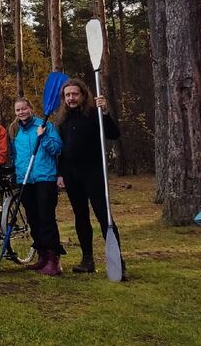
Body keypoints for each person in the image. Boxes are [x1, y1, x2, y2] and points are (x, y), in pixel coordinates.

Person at [56, 78, 123, 277]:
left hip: (93, 173)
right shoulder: (62, 120)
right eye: (67, 95)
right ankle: (87, 260)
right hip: (71, 175)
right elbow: (61, 150)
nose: (71, 98)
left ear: (83, 95)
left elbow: (113, 134)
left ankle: (118, 262)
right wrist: (59, 173)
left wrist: (105, 112)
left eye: (74, 94)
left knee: (103, 215)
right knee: (81, 216)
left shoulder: (95, 115)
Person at [10, 97, 65, 276]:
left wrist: (43, 137)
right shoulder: (15, 130)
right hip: (25, 180)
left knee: (46, 218)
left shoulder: (44, 125)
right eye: (18, 110)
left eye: (24, 108)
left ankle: (53, 260)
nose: (21, 112)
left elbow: (57, 149)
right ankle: (42, 256)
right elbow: (14, 155)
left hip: (44, 178)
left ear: (31, 109)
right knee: (33, 219)